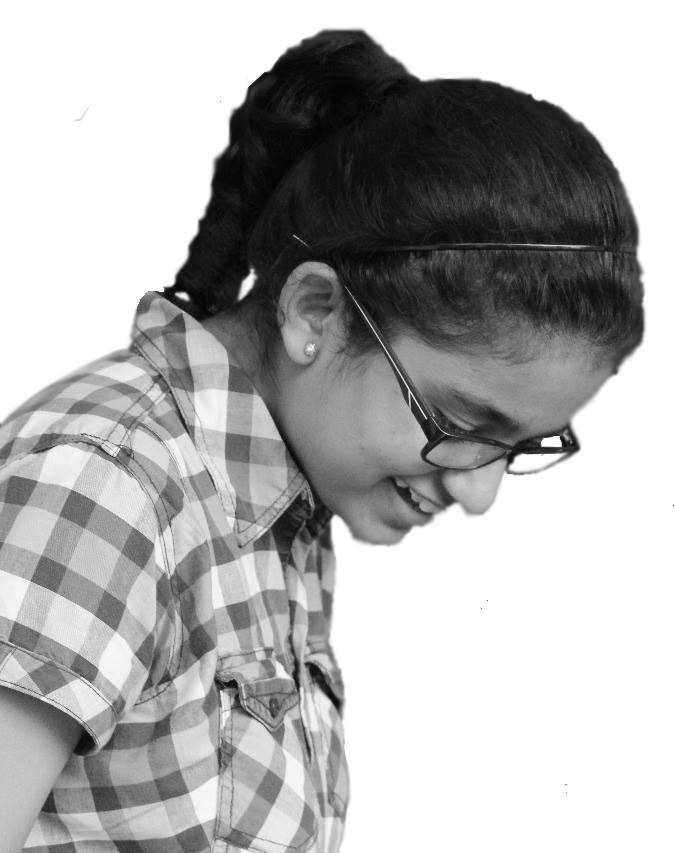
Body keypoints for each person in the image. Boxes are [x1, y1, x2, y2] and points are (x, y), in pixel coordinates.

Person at [0, 27, 646, 853]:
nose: (480, 497)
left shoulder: (274, 514)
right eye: (457, 423)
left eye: (525, 449)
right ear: (314, 311)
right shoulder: (103, 482)